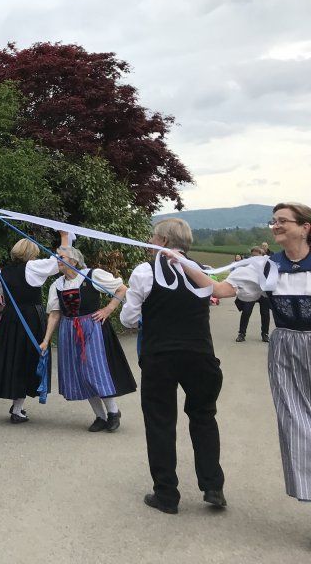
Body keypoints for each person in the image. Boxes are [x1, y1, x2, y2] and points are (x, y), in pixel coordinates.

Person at [183, 203, 311, 505]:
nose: (276, 226)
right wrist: (182, 262)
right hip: (285, 347)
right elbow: (220, 289)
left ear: (305, 227)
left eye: (283, 221)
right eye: (273, 221)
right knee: (295, 422)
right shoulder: (265, 266)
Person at [120, 218, 226, 514]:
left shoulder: (144, 271)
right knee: (204, 417)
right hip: (201, 356)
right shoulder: (203, 272)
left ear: (164, 241)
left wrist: (144, 312)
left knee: (160, 423)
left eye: (152, 237)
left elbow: (128, 320)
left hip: (160, 358)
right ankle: (213, 486)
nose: (149, 242)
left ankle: (166, 495)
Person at [39, 245, 136, 432]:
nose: (57, 260)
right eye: (57, 257)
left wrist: (108, 310)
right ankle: (100, 416)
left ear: (74, 261)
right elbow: (54, 314)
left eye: (62, 257)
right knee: (80, 374)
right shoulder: (57, 285)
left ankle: (113, 412)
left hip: (92, 328)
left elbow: (121, 289)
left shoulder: (92, 274)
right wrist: (46, 340)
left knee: (95, 370)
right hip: (68, 330)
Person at [0, 233, 70, 422]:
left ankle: (17, 406)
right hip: (30, 318)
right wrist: (64, 237)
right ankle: (17, 409)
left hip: (10, 319)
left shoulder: (3, 271)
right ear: (31, 253)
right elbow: (61, 262)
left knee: (14, 359)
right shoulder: (33, 266)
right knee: (27, 360)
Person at [235, 246, 272, 343]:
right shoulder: (248, 264)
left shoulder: (267, 264)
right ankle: (241, 334)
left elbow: (269, 277)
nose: (255, 258)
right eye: (253, 256)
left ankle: (265, 334)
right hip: (251, 291)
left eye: (257, 256)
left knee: (265, 313)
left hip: (263, 291)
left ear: (262, 255)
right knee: (246, 312)